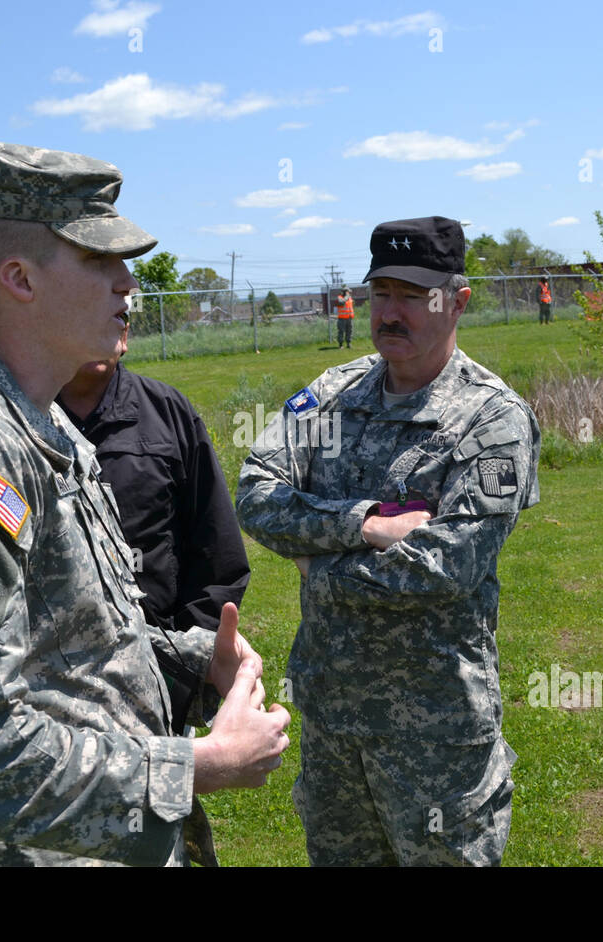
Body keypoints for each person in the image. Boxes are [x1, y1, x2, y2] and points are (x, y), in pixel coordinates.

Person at [0, 141, 290, 866]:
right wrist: (198, 770)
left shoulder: (43, 422)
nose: (129, 283)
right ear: (20, 278)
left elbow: (74, 649)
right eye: (99, 261)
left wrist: (192, 666)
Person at [237, 216, 540, 866]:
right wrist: (361, 526)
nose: (391, 312)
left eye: (413, 295)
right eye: (382, 293)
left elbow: (444, 566)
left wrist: (313, 560)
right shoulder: (328, 400)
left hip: (435, 735)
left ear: (457, 299)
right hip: (333, 723)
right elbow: (257, 493)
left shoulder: (492, 419)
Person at [56, 323, 252, 866]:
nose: (117, 313)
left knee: (157, 835)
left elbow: (215, 556)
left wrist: (182, 671)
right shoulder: (18, 420)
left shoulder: (166, 413)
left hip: (151, 684)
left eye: (126, 304)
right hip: (53, 690)